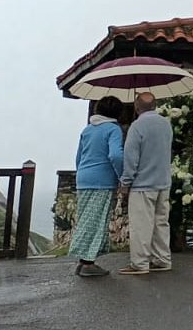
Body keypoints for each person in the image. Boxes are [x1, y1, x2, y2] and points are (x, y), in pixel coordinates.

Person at [117, 92, 173, 275]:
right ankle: (162, 259)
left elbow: (131, 158)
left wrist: (125, 183)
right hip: (163, 182)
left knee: (141, 225)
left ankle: (140, 263)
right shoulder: (166, 124)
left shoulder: (137, 127)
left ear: (137, 106)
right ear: (155, 105)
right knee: (161, 223)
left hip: (142, 184)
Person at [70, 96, 125, 277]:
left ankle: (83, 260)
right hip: (101, 180)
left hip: (83, 178)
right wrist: (122, 175)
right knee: (97, 221)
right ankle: (88, 263)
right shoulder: (113, 129)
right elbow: (116, 155)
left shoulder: (87, 130)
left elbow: (79, 157)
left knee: (86, 219)